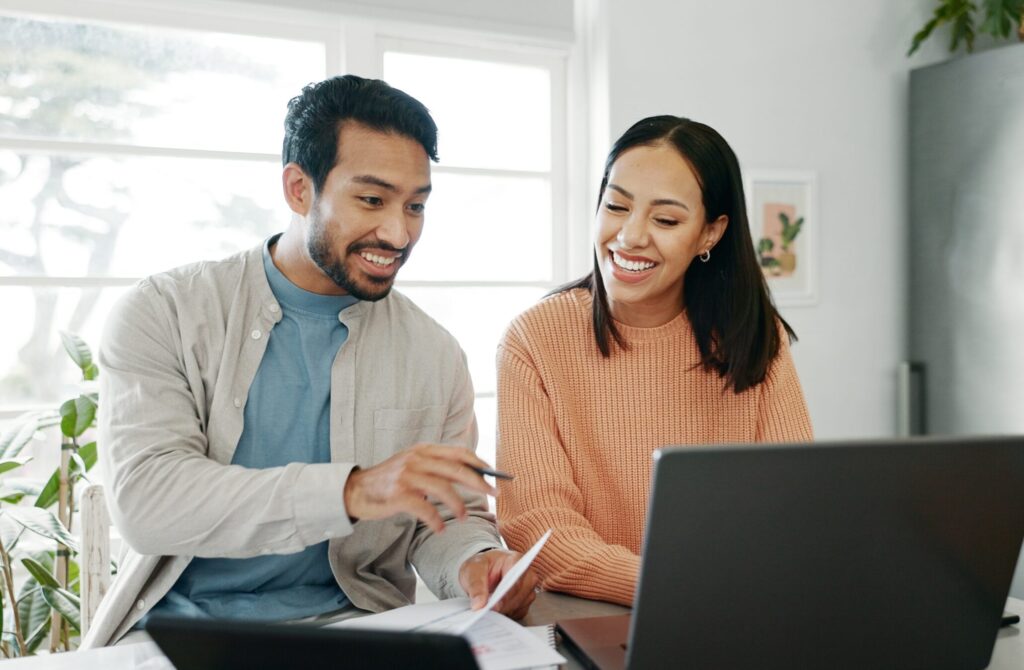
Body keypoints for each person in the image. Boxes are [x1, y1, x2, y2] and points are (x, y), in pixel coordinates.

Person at [82, 75, 536, 648]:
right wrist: (350, 492)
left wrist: (475, 562)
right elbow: (149, 502)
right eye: (372, 200)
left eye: (415, 205)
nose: (398, 232)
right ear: (299, 188)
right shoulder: (165, 311)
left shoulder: (435, 353)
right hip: (173, 640)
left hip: (357, 636)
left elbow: (448, 518)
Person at [495, 115, 813, 607]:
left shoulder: (755, 336)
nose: (630, 236)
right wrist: (678, 588)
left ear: (710, 234)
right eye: (616, 206)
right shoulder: (534, 340)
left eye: (665, 220)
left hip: (735, 613)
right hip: (594, 616)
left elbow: (792, 508)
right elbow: (541, 531)